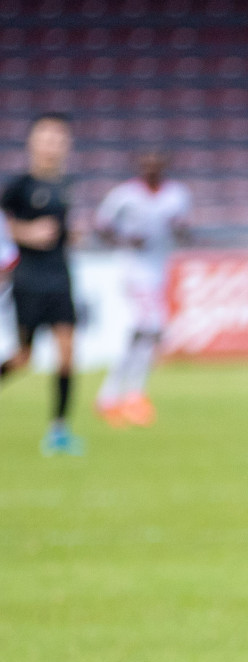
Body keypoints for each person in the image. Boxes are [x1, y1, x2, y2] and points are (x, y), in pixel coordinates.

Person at [1, 113, 82, 455]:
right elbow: (5, 228)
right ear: (33, 142)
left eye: (58, 138)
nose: (52, 144)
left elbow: (65, 232)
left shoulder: (66, 187)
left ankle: (59, 431)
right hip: (29, 280)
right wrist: (26, 233)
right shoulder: (19, 186)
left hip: (60, 278)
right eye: (46, 137)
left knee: (67, 353)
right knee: (24, 357)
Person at [93, 150, 192, 429]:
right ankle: (132, 395)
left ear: (165, 166)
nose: (151, 168)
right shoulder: (124, 195)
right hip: (132, 269)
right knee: (152, 326)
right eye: (146, 164)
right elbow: (101, 226)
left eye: (156, 164)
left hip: (157, 269)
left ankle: (113, 396)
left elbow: (182, 228)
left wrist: (181, 232)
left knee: (141, 333)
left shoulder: (177, 195)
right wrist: (125, 240)